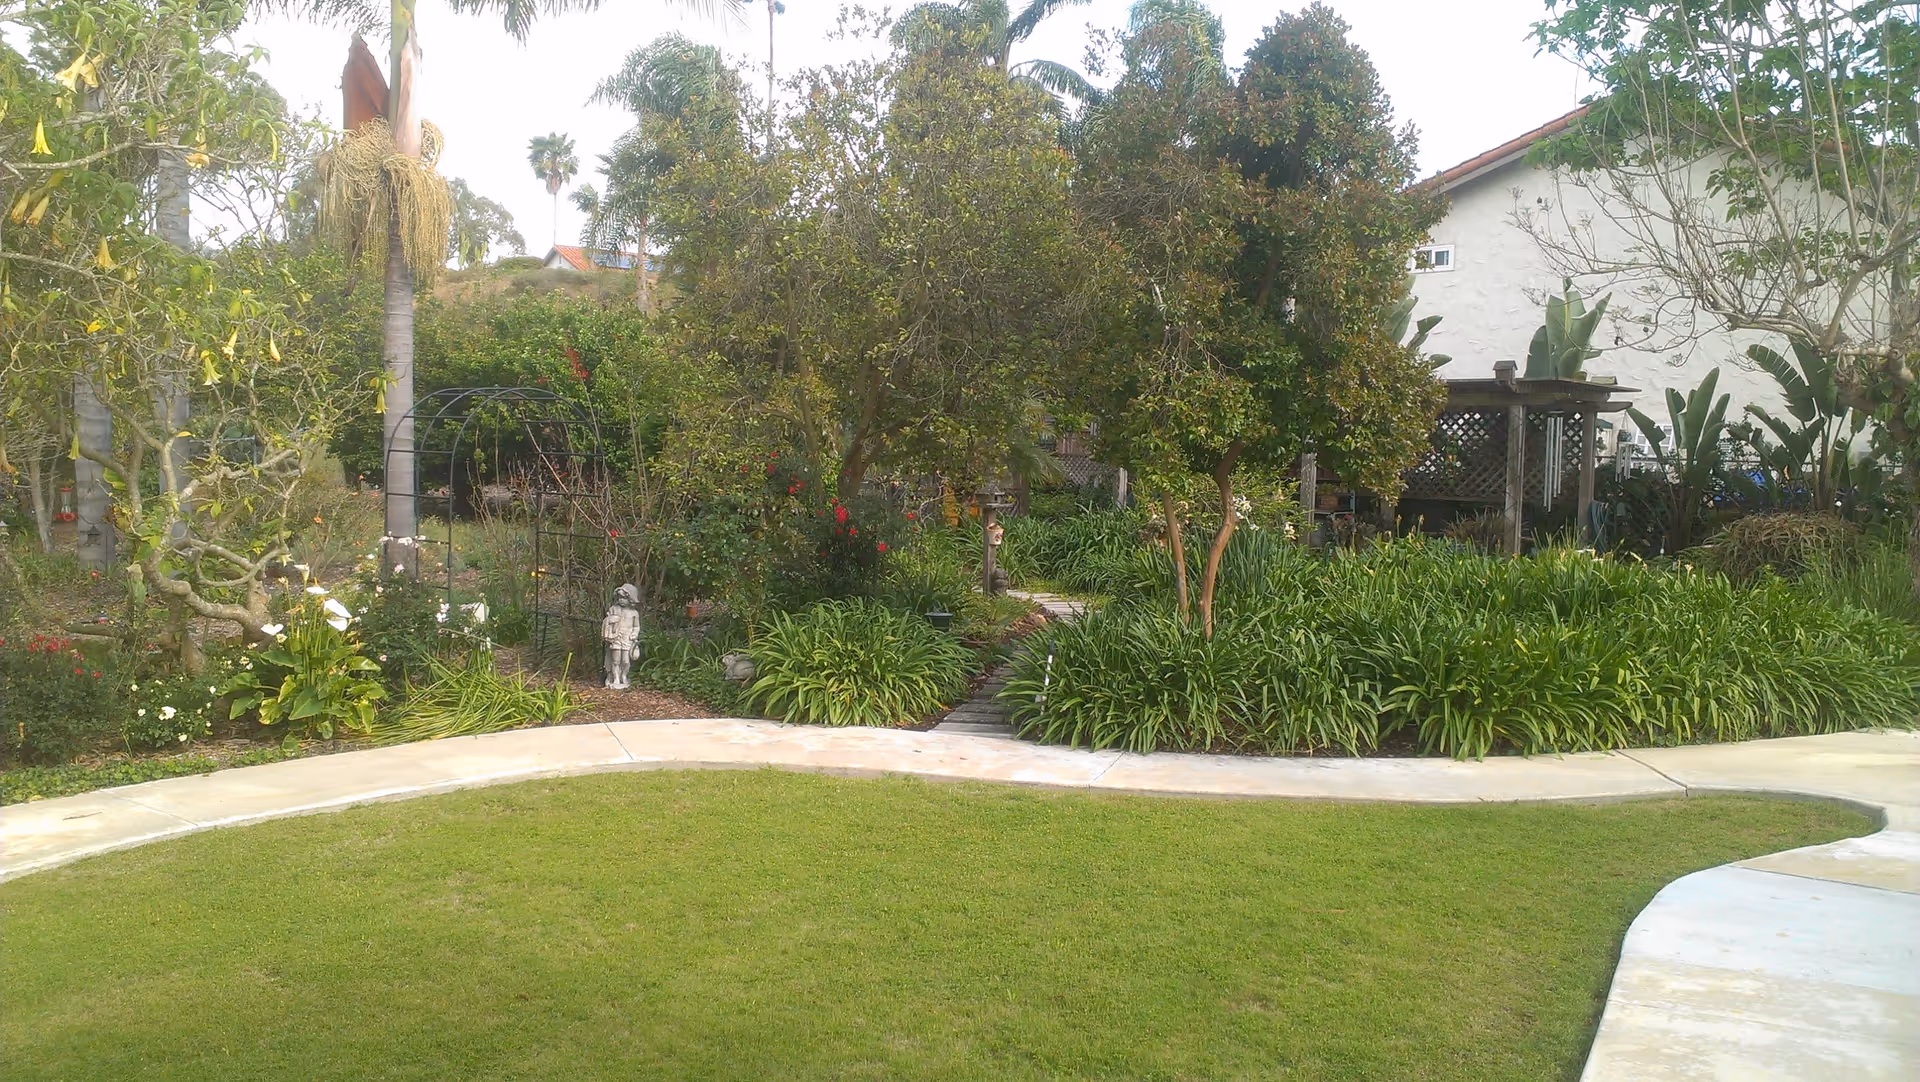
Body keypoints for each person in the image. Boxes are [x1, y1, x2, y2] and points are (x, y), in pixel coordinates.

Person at [600, 584, 642, 690]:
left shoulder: (634, 613)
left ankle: (624, 676)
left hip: (627, 639)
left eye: (624, 598)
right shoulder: (614, 609)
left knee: (626, 661)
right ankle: (615, 678)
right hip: (616, 637)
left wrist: (634, 634)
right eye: (619, 598)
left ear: (631, 599)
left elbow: (636, 627)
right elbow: (607, 623)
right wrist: (610, 620)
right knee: (615, 660)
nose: (621, 600)